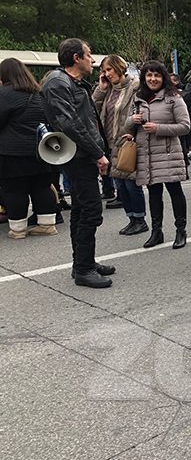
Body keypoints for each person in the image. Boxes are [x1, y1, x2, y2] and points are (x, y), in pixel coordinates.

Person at [40, 38, 115, 288]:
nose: (93, 60)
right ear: (76, 58)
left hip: (82, 155)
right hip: (78, 157)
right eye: (89, 54)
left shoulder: (70, 82)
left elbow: (84, 118)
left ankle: (83, 263)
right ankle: (83, 269)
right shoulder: (58, 82)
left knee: (82, 209)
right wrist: (97, 153)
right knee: (91, 211)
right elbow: (70, 124)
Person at [128, 61, 191, 250]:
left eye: (157, 75)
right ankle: (157, 232)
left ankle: (181, 231)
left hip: (168, 154)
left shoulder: (173, 98)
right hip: (146, 154)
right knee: (154, 194)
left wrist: (158, 128)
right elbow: (126, 126)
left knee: (175, 192)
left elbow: (185, 126)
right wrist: (131, 121)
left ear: (163, 78)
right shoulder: (138, 98)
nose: (153, 79)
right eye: (149, 75)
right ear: (143, 78)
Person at [0, 58, 59, 239]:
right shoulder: (39, 93)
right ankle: (47, 225)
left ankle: (18, 229)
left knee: (14, 190)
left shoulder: (4, 94)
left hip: (12, 152)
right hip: (41, 150)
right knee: (42, 187)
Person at [92, 55, 147, 236]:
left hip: (127, 141)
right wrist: (100, 89)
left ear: (119, 67)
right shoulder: (107, 89)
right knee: (120, 185)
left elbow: (142, 111)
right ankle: (131, 218)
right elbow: (92, 109)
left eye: (109, 69)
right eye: (103, 71)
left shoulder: (135, 86)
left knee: (131, 183)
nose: (106, 74)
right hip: (109, 142)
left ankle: (140, 219)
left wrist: (133, 132)